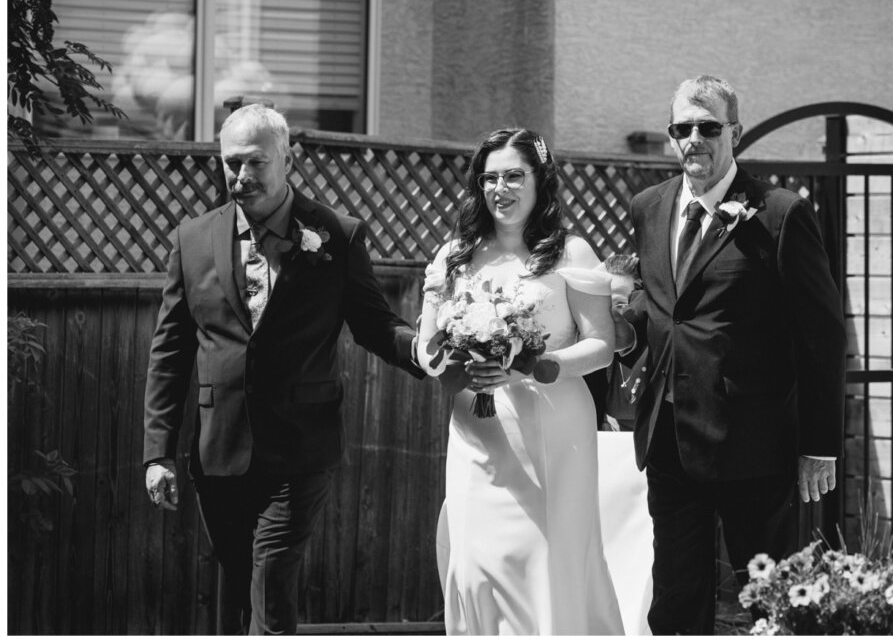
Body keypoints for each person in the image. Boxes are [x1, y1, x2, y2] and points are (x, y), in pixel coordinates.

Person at [142, 103, 423, 635]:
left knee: (271, 581)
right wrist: (157, 452)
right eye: (230, 164)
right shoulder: (193, 239)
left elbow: (373, 323)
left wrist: (422, 352)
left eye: (254, 163)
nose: (240, 177)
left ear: (288, 159)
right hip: (217, 447)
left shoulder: (336, 235)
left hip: (300, 447)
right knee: (233, 582)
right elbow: (170, 349)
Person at [617, 76, 846, 634]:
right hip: (669, 437)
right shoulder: (649, 207)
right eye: (682, 128)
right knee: (675, 595)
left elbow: (821, 335)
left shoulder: (780, 213)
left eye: (707, 126)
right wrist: (625, 336)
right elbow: (659, 302)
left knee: (770, 598)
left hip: (755, 445)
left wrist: (819, 445)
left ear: (734, 133)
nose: (693, 138)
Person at [418, 127, 625, 635]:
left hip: (553, 428)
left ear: (541, 180)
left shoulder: (570, 253)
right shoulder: (454, 255)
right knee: (475, 561)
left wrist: (531, 365)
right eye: (489, 179)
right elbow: (426, 349)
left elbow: (602, 344)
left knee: (549, 559)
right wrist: (461, 361)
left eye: (514, 175)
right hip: (477, 432)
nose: (500, 189)